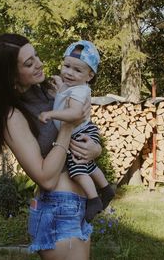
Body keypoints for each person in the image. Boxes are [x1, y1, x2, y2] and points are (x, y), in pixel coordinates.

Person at [0, 33, 102, 259]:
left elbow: (81, 132)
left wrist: (95, 150)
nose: (39, 64)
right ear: (10, 74)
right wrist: (66, 127)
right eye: (28, 63)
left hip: (76, 205)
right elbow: (46, 177)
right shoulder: (11, 116)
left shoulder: (48, 91)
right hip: (58, 210)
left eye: (36, 56)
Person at [38, 41, 115, 222]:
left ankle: (93, 199)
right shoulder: (73, 87)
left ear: (90, 75)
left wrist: (51, 113)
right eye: (66, 66)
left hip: (81, 131)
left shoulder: (80, 91)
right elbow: (63, 92)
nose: (69, 73)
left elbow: (74, 113)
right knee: (87, 164)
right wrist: (59, 83)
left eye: (77, 70)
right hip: (83, 130)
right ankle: (106, 189)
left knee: (77, 168)